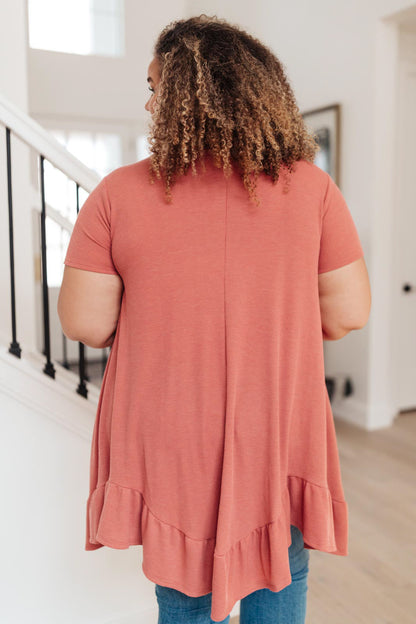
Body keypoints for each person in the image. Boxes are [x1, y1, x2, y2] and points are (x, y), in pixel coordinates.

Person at [57, 14, 371, 624]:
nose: (148, 103)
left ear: (184, 96)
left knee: (184, 595)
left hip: (172, 434)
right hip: (276, 421)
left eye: (155, 87)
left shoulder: (117, 195)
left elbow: (87, 325)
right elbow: (348, 312)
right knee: (280, 573)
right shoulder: (313, 190)